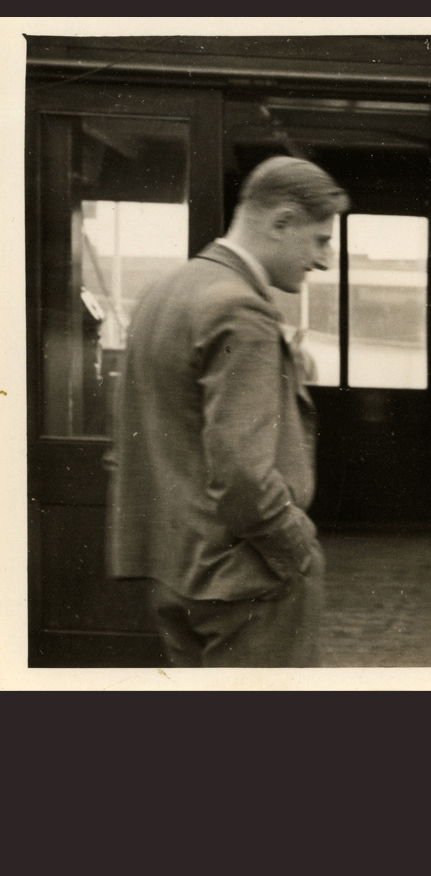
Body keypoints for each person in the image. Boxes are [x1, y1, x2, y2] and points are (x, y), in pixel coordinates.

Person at [106, 156, 350, 667]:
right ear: (281, 222)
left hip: (174, 572)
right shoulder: (242, 310)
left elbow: (150, 433)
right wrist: (296, 551)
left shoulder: (165, 291)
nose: (325, 260)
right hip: (243, 584)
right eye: (321, 239)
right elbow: (242, 474)